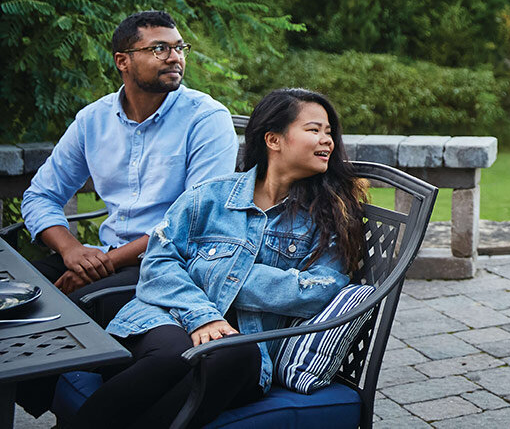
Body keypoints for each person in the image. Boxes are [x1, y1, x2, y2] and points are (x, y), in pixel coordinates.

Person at [67, 87, 366, 429]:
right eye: (314, 130)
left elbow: (320, 288)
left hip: (245, 347)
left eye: (329, 132)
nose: (327, 140)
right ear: (274, 139)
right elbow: (159, 261)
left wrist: (210, 271)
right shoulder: (209, 196)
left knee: (235, 354)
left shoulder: (328, 216)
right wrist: (203, 316)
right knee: (170, 356)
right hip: (166, 318)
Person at [21, 10, 239, 322]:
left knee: (73, 309)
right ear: (122, 61)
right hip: (104, 252)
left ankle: (77, 372)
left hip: (169, 264)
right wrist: (71, 250)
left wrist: (105, 264)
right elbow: (40, 195)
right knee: (19, 293)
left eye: (180, 47)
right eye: (159, 49)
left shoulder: (206, 118)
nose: (174, 57)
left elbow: (194, 220)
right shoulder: (93, 120)